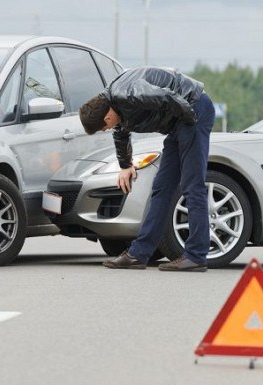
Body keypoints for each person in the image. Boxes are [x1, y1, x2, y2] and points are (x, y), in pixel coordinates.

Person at [79, 66, 215, 272]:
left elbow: (167, 96)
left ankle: (196, 255)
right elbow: (121, 132)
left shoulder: (129, 93)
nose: (107, 129)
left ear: (106, 118)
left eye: (103, 128)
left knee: (192, 184)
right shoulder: (113, 103)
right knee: (161, 187)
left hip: (193, 111)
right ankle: (139, 254)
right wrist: (125, 166)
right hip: (180, 122)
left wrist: (190, 122)